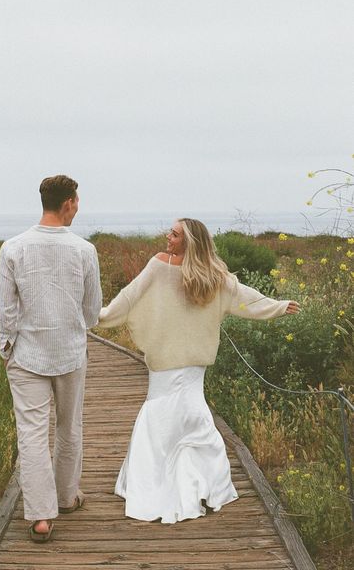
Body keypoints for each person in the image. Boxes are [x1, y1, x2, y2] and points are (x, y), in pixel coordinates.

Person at [98, 218, 300, 524]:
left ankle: (169, 486)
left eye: (175, 234)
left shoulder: (209, 275)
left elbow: (246, 297)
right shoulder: (171, 268)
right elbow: (130, 297)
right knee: (188, 421)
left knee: (172, 421)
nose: (167, 236)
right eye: (170, 231)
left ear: (190, 241)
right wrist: (100, 316)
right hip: (173, 365)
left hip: (183, 366)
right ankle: (192, 484)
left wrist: (278, 306)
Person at [0, 175, 102, 542]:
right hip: (71, 353)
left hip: (27, 356)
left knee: (32, 434)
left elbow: (5, 310)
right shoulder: (84, 251)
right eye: (77, 201)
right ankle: (67, 496)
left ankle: (41, 517)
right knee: (70, 426)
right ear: (69, 202)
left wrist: (7, 348)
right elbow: (92, 313)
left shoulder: (13, 248)